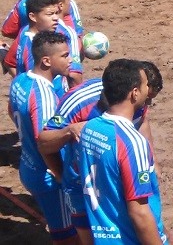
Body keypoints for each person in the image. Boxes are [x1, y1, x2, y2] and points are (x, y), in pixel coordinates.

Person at [39, 61, 165, 245]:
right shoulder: (79, 102)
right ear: (135, 92)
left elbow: (142, 120)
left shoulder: (92, 127)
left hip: (101, 195)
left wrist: (151, 161)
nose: (148, 104)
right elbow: (43, 141)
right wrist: (60, 173)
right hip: (79, 187)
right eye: (147, 95)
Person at [77, 59, 171, 244]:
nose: (147, 90)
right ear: (134, 93)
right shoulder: (131, 142)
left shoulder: (90, 128)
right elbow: (139, 213)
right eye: (145, 85)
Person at [8, 31, 78, 244]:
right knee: (68, 238)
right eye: (65, 55)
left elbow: (12, 111)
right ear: (47, 61)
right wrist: (59, 175)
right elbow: (45, 142)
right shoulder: (44, 97)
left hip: (28, 165)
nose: (71, 60)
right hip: (47, 176)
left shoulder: (21, 80)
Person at [4, 0, 81, 95]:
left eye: (56, 13)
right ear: (33, 17)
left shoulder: (25, 33)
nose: (56, 18)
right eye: (50, 14)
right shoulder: (34, 46)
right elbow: (38, 84)